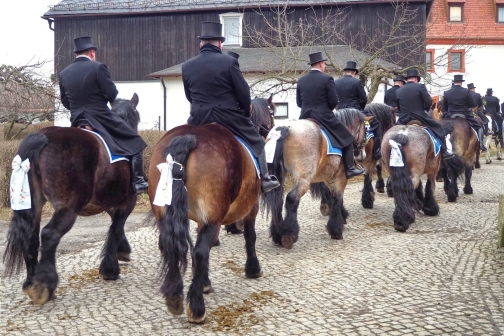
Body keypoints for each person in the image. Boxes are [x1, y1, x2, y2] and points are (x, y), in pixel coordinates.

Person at [181, 22, 279, 193]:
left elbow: (189, 96)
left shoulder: (187, 65)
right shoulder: (229, 62)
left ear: (200, 44)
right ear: (220, 44)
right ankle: (265, 179)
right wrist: (243, 111)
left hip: (198, 118)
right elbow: (243, 94)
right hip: (227, 117)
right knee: (257, 141)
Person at [58, 36, 148, 193]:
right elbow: (111, 94)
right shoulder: (98, 68)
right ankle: (139, 181)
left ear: (76, 54)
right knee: (135, 141)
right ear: (92, 53)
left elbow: (65, 101)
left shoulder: (64, 73)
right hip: (99, 118)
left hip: (77, 119)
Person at [296, 53, 364, 179]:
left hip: (304, 117)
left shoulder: (301, 80)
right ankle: (349, 169)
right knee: (348, 138)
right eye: (325, 64)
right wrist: (326, 109)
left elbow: (299, 103)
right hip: (323, 117)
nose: (325, 66)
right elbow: (333, 102)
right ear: (321, 64)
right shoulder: (327, 79)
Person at [396, 69, 454, 160]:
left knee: (393, 133)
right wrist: (425, 109)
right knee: (438, 128)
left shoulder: (399, 90)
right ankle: (444, 152)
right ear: (415, 79)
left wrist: (403, 113)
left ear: (407, 79)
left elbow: (398, 106)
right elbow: (428, 102)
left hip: (404, 118)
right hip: (419, 116)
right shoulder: (420, 87)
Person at [334, 61, 382, 159]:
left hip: (340, 113)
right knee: (377, 125)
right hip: (355, 111)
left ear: (344, 72)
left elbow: (334, 99)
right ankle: (377, 152)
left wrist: (339, 108)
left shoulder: (336, 82)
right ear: (354, 73)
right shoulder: (357, 82)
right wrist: (360, 109)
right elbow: (364, 99)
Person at [443, 75, 486, 151]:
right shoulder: (466, 91)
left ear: (454, 82)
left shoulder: (447, 92)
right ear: (461, 82)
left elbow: (445, 107)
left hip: (450, 115)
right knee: (479, 127)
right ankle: (481, 145)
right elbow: (472, 104)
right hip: (465, 114)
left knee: (439, 127)